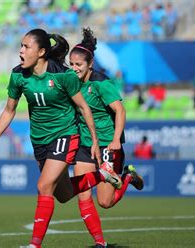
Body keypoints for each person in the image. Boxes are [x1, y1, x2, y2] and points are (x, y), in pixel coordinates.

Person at [0, 28, 122, 248]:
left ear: (41, 52)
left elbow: (84, 107)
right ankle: (102, 174)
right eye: (21, 45)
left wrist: (94, 140)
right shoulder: (18, 75)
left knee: (44, 185)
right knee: (63, 194)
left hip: (65, 134)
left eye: (26, 46)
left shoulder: (62, 75)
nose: (21, 51)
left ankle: (34, 245)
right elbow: (9, 110)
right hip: (39, 140)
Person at [69, 27, 144, 247]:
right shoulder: (70, 82)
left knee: (104, 202)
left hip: (107, 145)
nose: (74, 69)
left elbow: (120, 111)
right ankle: (100, 244)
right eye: (71, 64)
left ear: (90, 64)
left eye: (78, 65)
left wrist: (115, 140)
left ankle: (128, 177)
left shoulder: (102, 83)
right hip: (85, 144)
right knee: (83, 194)